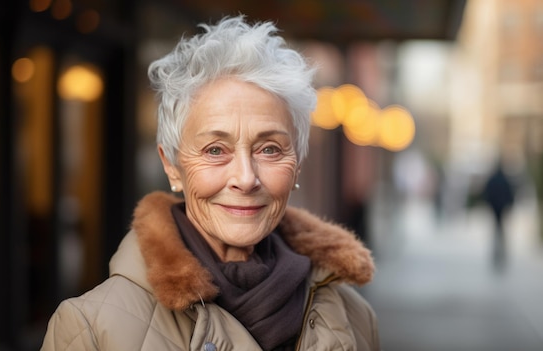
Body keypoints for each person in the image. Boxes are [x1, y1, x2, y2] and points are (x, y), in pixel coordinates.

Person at [41, 15, 380, 351]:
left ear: (297, 166)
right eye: (215, 149)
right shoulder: (90, 330)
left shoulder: (355, 318)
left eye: (270, 149)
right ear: (172, 167)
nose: (246, 179)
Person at [481, 159, 515, 271]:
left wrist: (489, 204)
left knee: (496, 230)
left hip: (495, 207)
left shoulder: (493, 179)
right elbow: (510, 194)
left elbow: (487, 193)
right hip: (501, 207)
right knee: (501, 231)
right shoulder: (504, 179)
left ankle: (497, 253)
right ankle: (501, 253)